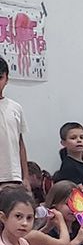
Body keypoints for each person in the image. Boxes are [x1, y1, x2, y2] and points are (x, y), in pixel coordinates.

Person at [0, 56, 30, 190]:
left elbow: (20, 143)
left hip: (13, 175)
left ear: (6, 79)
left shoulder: (15, 108)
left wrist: (26, 177)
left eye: (0, 78)